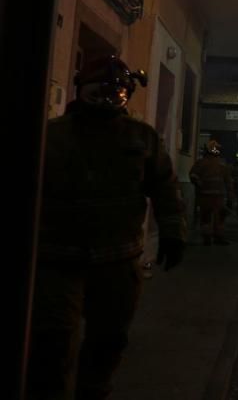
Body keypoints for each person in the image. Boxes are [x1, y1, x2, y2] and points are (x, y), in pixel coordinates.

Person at [28, 56, 186, 399]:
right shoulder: (52, 137)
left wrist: (173, 231)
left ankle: (93, 391)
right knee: (53, 341)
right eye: (98, 91)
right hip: (57, 260)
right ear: (81, 90)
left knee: (110, 337)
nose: (106, 98)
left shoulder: (141, 138)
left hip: (118, 260)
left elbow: (164, 185)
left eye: (116, 92)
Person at [189, 140, 233, 245]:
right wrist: (230, 198)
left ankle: (207, 237)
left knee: (206, 217)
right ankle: (219, 237)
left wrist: (198, 184)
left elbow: (193, 176)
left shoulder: (201, 163)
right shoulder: (222, 165)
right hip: (219, 196)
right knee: (220, 217)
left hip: (205, 195)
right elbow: (229, 183)